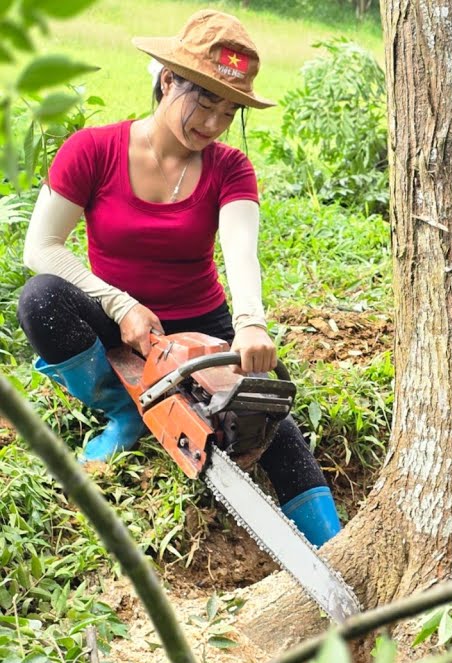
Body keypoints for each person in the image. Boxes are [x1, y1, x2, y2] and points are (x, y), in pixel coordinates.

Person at [18, 9, 343, 547]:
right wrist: (119, 304)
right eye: (205, 100)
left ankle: (335, 553)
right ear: (168, 80)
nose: (213, 123)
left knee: (271, 421)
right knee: (42, 300)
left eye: (229, 109)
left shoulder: (230, 168)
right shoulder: (93, 150)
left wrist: (250, 325)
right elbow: (41, 247)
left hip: (204, 322)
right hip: (113, 313)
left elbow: (241, 249)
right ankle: (125, 412)